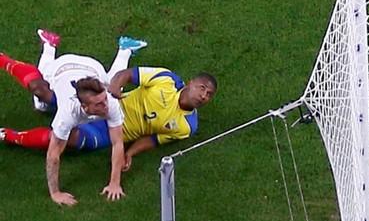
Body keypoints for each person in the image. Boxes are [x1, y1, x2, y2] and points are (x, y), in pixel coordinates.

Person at [0, 29, 147, 206]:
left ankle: (125, 49)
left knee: (111, 83)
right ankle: (48, 46)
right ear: (84, 107)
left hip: (93, 67)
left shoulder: (109, 102)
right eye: (99, 104)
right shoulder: (68, 113)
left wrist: (114, 183)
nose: (105, 106)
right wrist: (55, 193)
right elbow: (53, 154)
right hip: (61, 68)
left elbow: (117, 143)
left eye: (104, 101)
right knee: (40, 96)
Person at [2, 59, 217, 177]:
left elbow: (153, 139)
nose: (203, 96)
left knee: (61, 140)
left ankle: (7, 135)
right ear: (190, 83)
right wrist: (113, 88)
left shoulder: (187, 126)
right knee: (43, 93)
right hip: (104, 107)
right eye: (202, 88)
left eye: (208, 95)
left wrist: (130, 153)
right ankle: (5, 61)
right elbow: (128, 75)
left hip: (107, 132)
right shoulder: (166, 80)